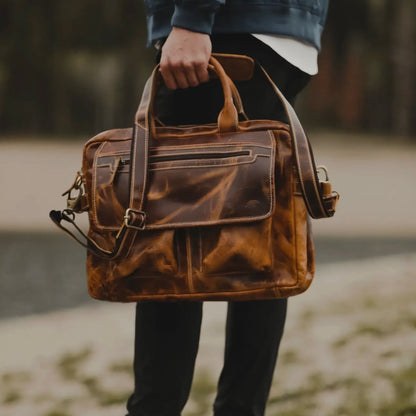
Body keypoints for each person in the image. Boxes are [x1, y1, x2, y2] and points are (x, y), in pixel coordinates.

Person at [126, 1, 329, 415]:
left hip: (225, 26)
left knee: (170, 231)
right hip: (287, 32)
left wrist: (192, 19)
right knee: (262, 235)